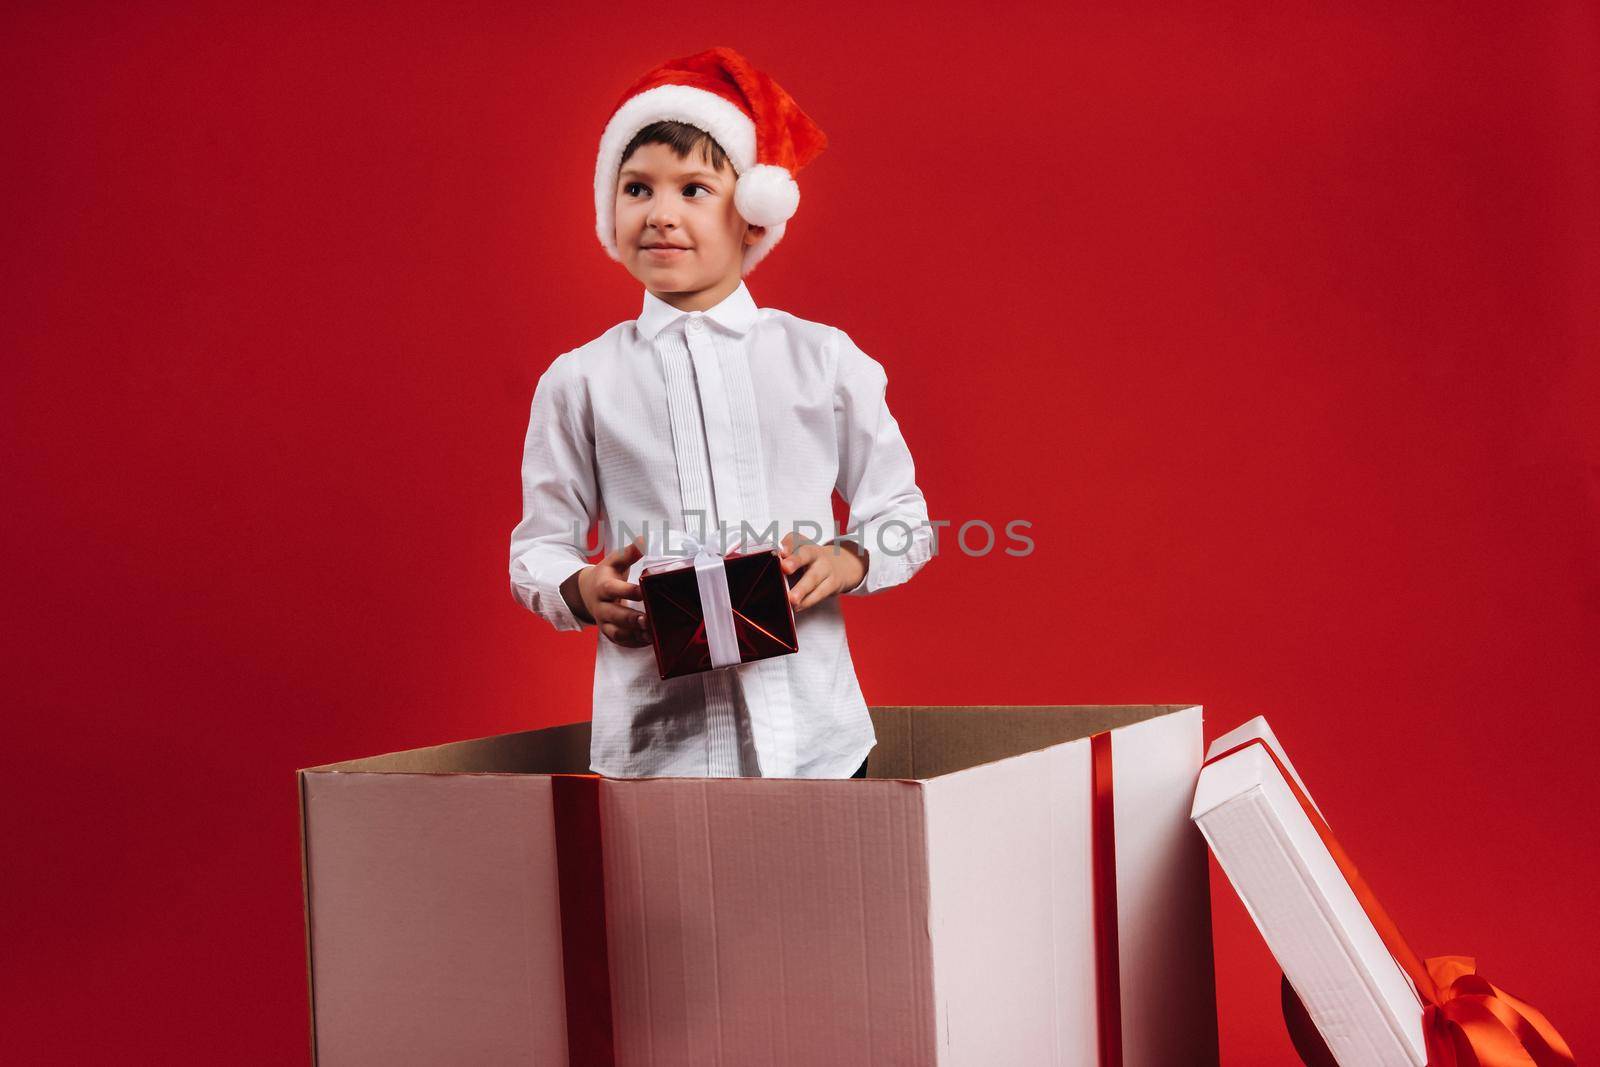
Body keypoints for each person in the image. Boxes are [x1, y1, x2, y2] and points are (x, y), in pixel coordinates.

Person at [509, 46, 932, 779]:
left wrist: (847, 557)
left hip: (818, 745)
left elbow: (905, 515)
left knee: (822, 896)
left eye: (695, 189)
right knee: (664, 902)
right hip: (655, 754)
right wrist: (580, 589)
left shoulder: (823, 359)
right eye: (636, 188)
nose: (661, 214)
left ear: (753, 217)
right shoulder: (579, 380)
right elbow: (536, 548)